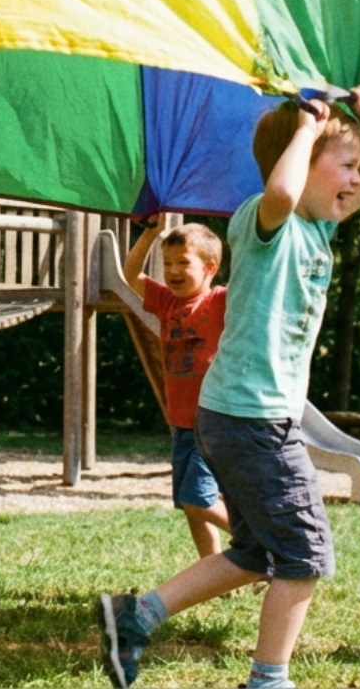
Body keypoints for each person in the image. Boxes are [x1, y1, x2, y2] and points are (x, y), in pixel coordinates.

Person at [99, 89, 360, 689]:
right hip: (253, 420)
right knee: (306, 554)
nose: (358, 180)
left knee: (257, 552)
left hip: (238, 417)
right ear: (301, 162)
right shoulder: (263, 221)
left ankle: (136, 616)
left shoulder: (318, 230)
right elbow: (283, 189)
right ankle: (268, 679)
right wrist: (308, 125)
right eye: (346, 166)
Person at [123, 218, 231, 557]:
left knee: (196, 499)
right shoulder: (167, 302)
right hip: (181, 423)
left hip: (212, 420)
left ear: (210, 267)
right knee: (192, 507)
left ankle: (260, 543)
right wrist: (150, 234)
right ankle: (212, 568)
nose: (172, 270)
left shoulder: (220, 300)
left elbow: (254, 280)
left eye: (183, 262)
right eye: (168, 263)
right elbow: (130, 274)